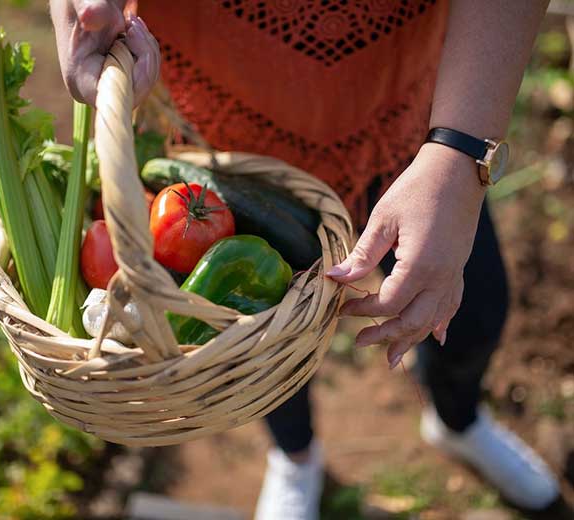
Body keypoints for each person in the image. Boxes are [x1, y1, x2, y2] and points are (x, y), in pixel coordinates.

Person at [50, 1, 561, 518]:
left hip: (414, 120)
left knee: (475, 313)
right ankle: (295, 458)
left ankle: (457, 421)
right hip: (226, 134)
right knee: (261, 343)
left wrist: (459, 153)